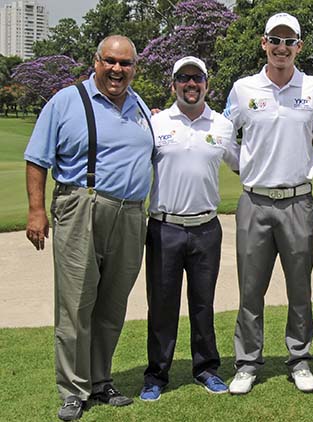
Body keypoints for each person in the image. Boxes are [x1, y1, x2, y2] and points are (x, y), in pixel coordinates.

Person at [24, 35, 153, 421]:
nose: (117, 70)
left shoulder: (139, 104)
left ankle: (100, 381)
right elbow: (37, 159)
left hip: (131, 213)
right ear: (95, 61)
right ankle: (72, 389)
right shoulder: (66, 101)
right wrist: (35, 211)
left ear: (134, 68)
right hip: (82, 206)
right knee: (76, 305)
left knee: (112, 305)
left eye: (125, 64)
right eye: (110, 61)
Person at [222, 12, 313, 395]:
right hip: (255, 202)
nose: (281, 48)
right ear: (264, 43)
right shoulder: (243, 88)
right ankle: (247, 362)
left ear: (299, 46)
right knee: (251, 288)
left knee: (300, 287)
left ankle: (299, 359)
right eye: (274, 40)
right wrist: (245, 169)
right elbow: (226, 137)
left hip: (298, 201)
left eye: (289, 41)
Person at [139, 56, 239, 401]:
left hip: (206, 228)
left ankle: (206, 368)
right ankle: (156, 375)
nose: (191, 84)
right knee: (162, 305)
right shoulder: (156, 123)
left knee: (203, 304)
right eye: (184, 78)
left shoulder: (222, 126)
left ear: (207, 84)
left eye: (197, 78)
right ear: (173, 85)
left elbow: (244, 164)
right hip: (164, 227)